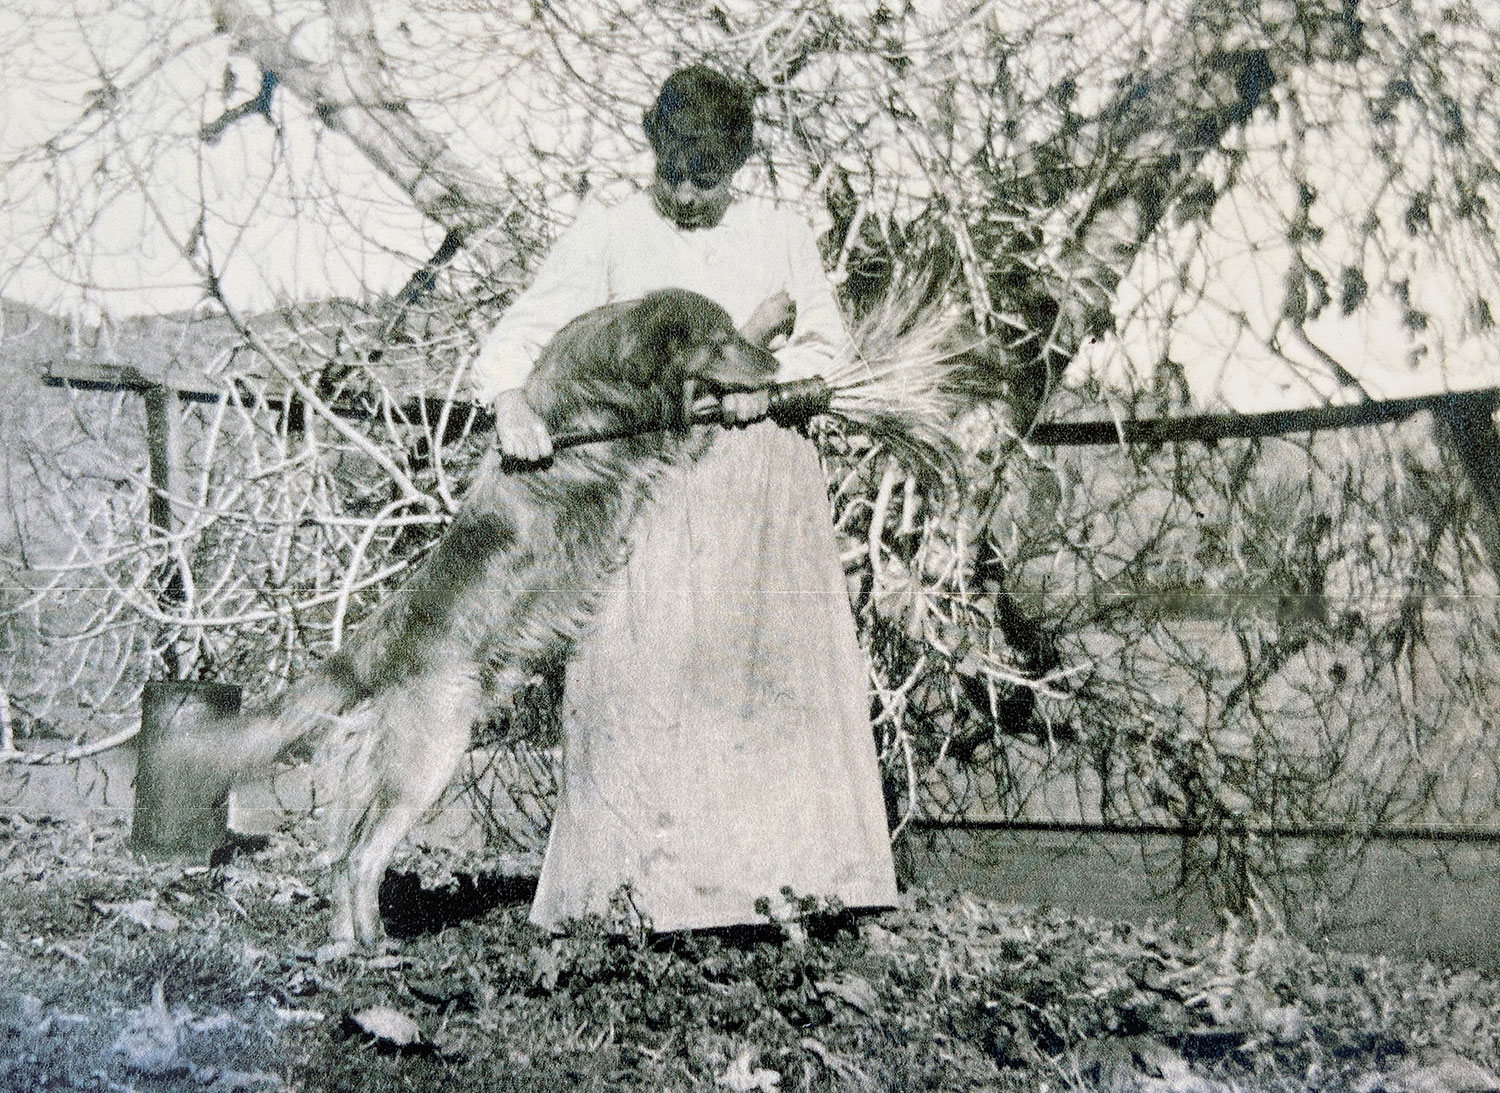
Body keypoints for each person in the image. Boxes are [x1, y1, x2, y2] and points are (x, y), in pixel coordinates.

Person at [470, 65, 899, 933]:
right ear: (653, 152)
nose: (686, 192)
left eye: (706, 177)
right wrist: (511, 400)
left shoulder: (779, 232)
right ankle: (641, 895)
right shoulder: (612, 231)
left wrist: (774, 381)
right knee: (643, 670)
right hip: (655, 486)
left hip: (764, 492)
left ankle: (779, 892)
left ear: (739, 165)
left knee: (763, 684)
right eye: (672, 170)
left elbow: (829, 344)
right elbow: (525, 328)